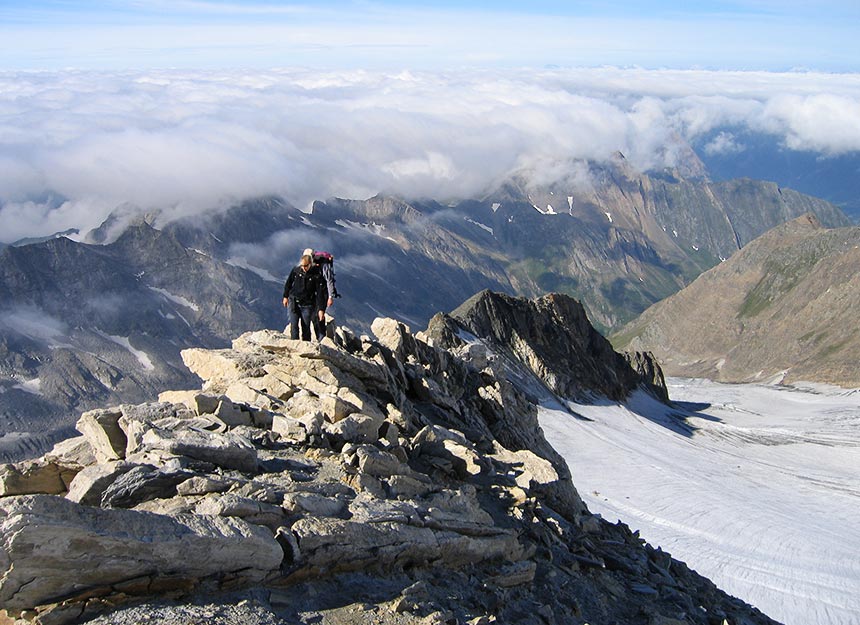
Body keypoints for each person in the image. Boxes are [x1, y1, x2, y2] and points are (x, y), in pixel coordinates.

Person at [282, 253, 323, 341]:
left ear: (310, 264)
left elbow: (320, 292)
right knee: (294, 325)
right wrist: (285, 296)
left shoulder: (316, 275)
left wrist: (321, 309)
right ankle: (294, 344)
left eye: (306, 266)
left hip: (307, 304)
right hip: (294, 301)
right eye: (302, 265)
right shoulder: (296, 271)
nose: (304, 268)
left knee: (305, 326)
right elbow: (288, 283)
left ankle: (306, 344)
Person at [302, 247, 336, 340]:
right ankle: (320, 336)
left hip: (323, 292)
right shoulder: (310, 265)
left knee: (319, 314)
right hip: (314, 293)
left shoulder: (324, 265)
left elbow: (329, 280)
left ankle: (321, 337)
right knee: (314, 315)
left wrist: (330, 296)